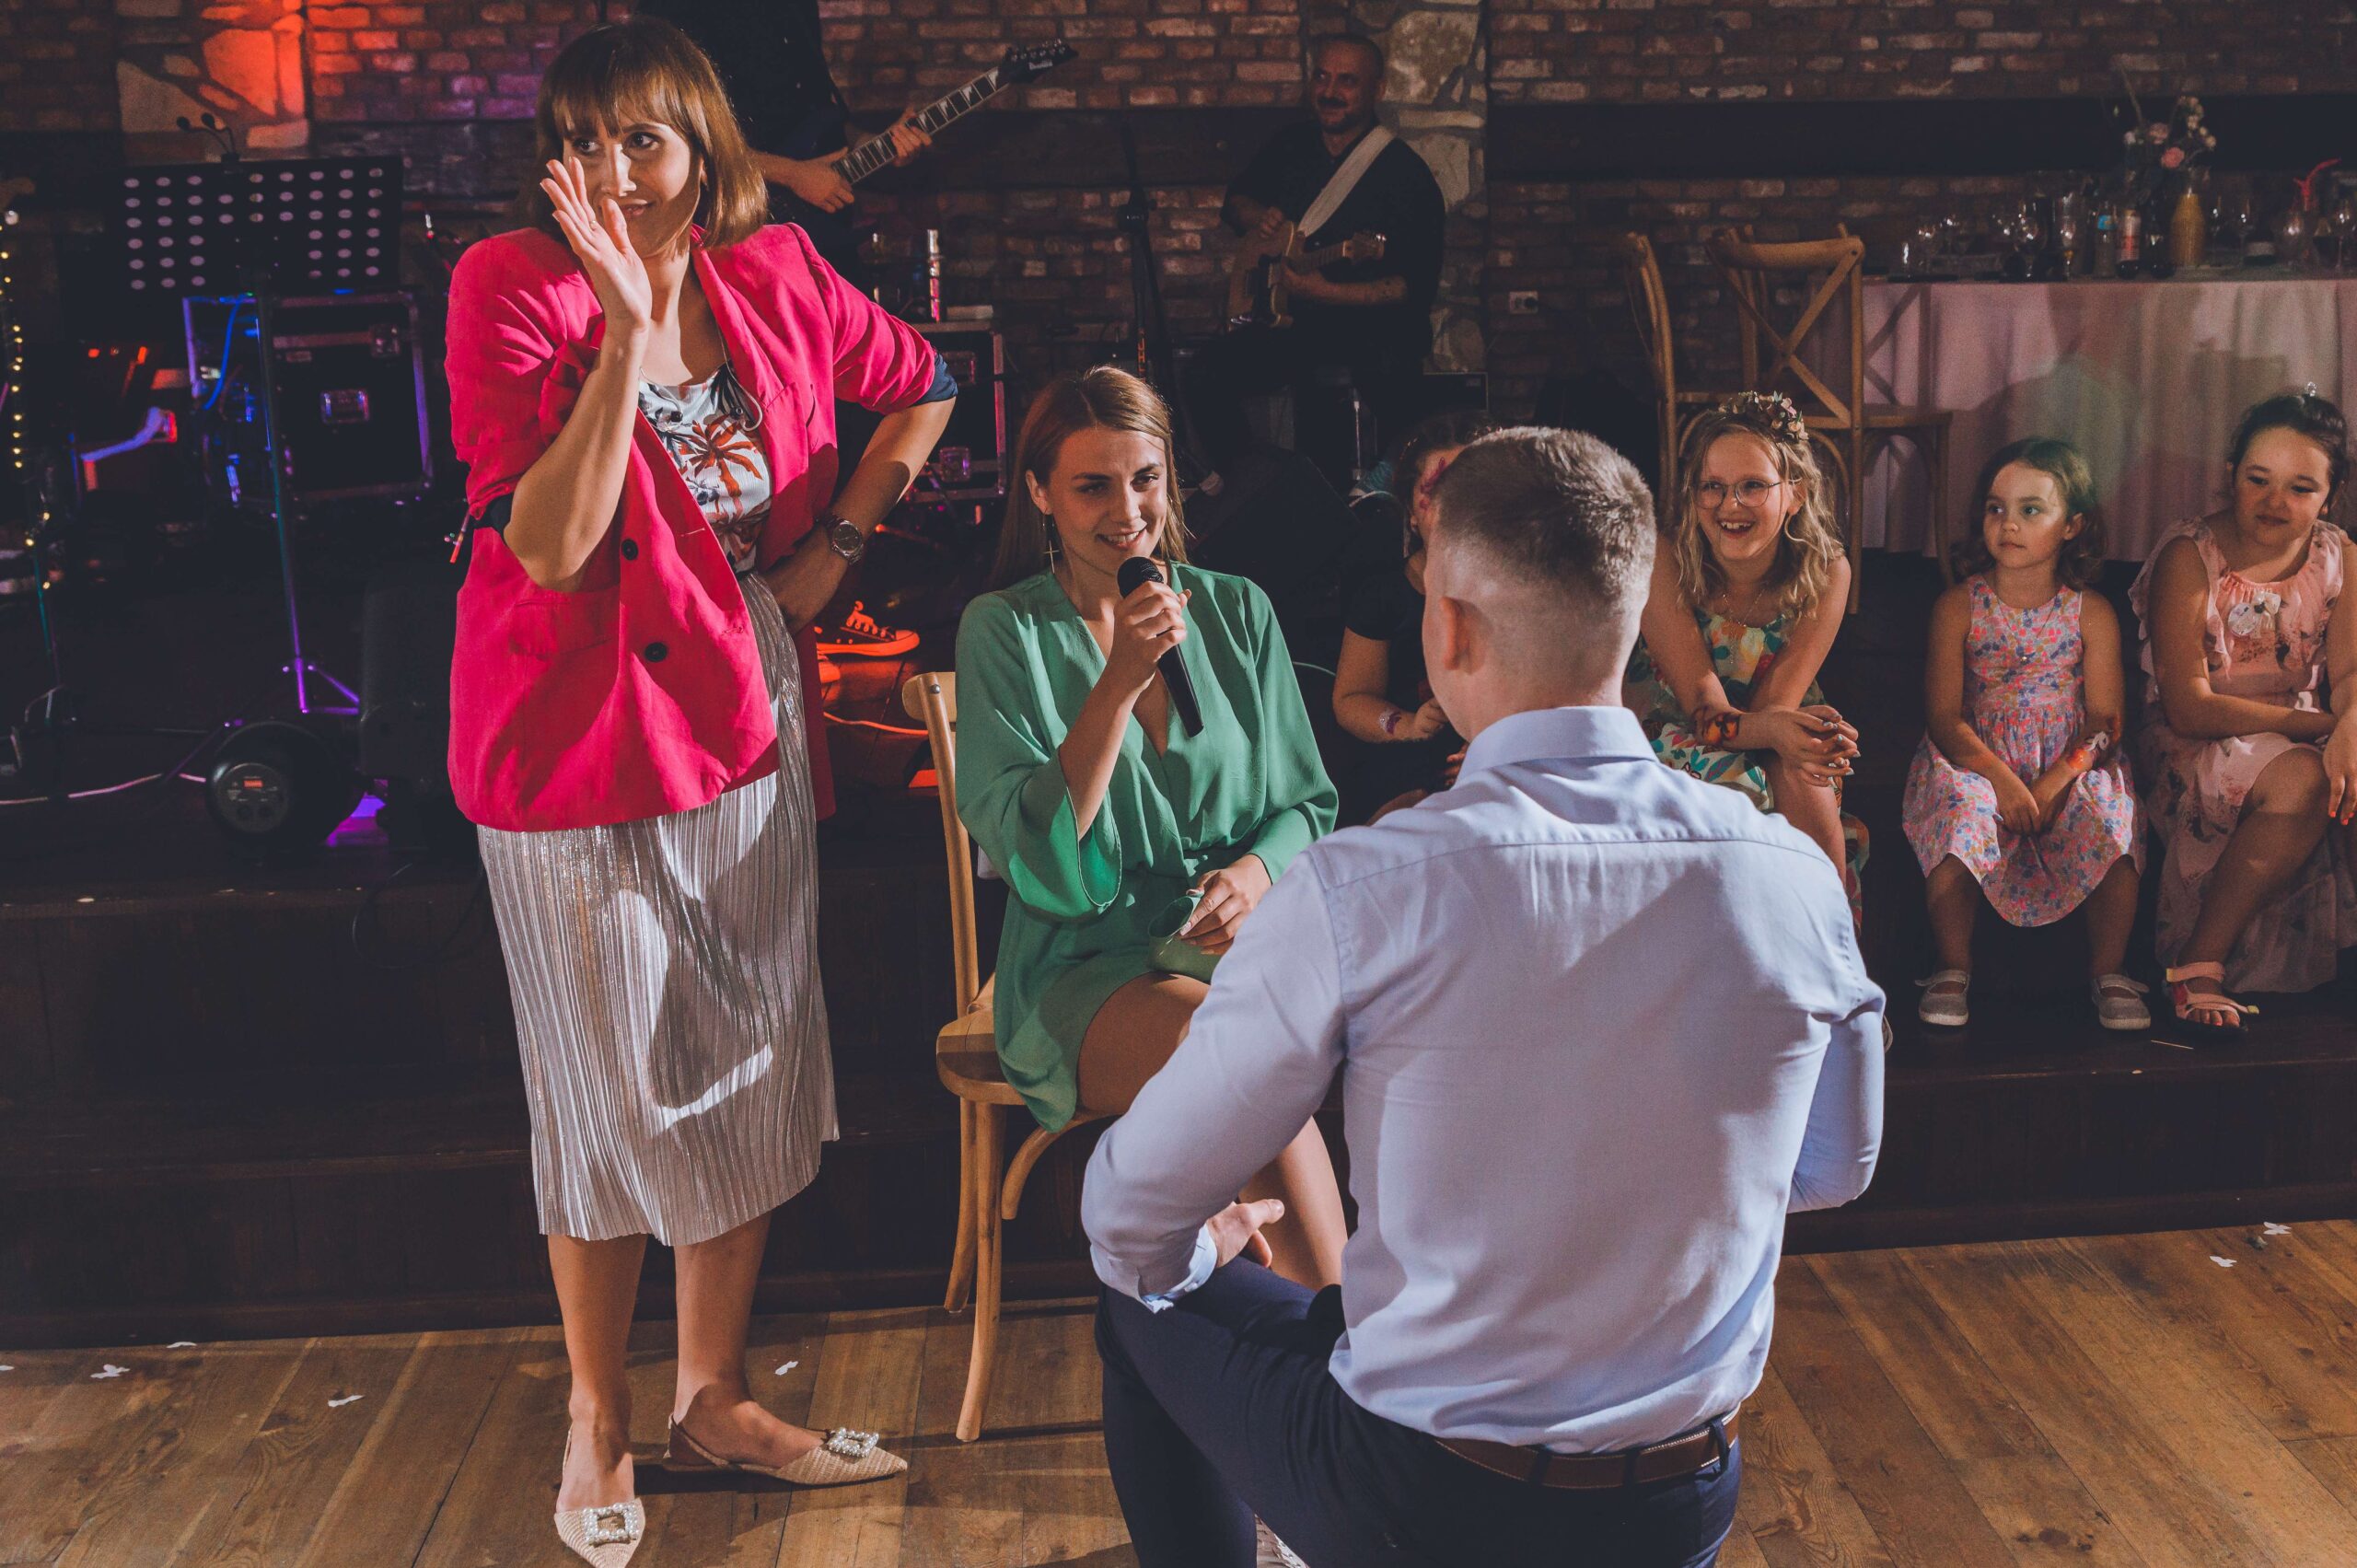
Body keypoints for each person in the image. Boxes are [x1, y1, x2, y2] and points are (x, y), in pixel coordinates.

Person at [1082, 427, 1886, 1568]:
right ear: (1628, 621)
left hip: (1426, 1502)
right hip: (1676, 1500)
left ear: (1449, 626)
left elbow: (1128, 1216)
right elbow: (1835, 1166)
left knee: (1139, 1302)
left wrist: (1195, 1259)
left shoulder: (1363, 886)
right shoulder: (1792, 875)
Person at [441, 20, 955, 1564]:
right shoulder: (510, 288)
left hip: (743, 709)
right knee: (603, 1083)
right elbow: (551, 543)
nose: (609, 171)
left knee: (746, 1055)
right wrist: (619, 329)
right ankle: (600, 1412)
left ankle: (713, 1395)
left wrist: (835, 549)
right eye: (580, 141)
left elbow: (920, 385)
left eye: (640, 139)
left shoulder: (778, 273)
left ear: (703, 150)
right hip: (576, 733)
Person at [953, 366, 1348, 1290]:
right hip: (1084, 961)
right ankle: (1339, 1324)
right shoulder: (1003, 630)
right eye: (1092, 486)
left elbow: (1307, 807)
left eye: (1145, 479)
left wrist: (1254, 872)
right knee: (1242, 1048)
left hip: (1238, 953)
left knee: (1279, 1040)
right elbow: (1039, 859)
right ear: (1040, 493)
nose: (1127, 511)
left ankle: (1298, 1323)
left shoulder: (1236, 608)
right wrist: (1120, 677)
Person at [2128, 390, 2357, 1033]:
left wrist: (2350, 725)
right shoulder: (2190, 555)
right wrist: (2326, 728)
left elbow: (2349, 674)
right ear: (2231, 474)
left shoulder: (2340, 556)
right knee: (2306, 776)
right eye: (2259, 479)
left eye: (2301, 488)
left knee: (2340, 767)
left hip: (2303, 735)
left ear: (2330, 496)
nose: (2275, 501)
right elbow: (2188, 707)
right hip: (2198, 741)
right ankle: (2197, 962)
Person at [1903, 438, 2145, 1031]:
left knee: (2110, 820)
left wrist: (2061, 777)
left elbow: (2105, 721)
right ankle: (1952, 965)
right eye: (1996, 508)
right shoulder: (1958, 606)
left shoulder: (2091, 612)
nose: (2008, 524)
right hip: (1977, 757)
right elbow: (1943, 717)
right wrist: (2002, 781)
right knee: (1960, 815)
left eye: (2031, 510)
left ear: (2072, 526)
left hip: (2070, 759)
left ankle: (2110, 971)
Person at [1623, 392, 1867, 916]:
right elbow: (1705, 714)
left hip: (1766, 716)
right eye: (1712, 486)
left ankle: (1828, 940)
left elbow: (1776, 705)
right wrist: (1781, 731)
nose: (1729, 505)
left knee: (1806, 775)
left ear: (1796, 494)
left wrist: (1813, 734)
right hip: (1675, 726)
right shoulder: (1664, 559)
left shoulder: (1827, 572)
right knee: (1739, 785)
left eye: (1752, 486)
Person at [1183, 33, 1446, 482]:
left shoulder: (1406, 176)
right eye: (1322, 77)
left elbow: (1413, 287)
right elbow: (1236, 202)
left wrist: (1328, 293)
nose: (1330, 91)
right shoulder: (1290, 146)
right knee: (1203, 374)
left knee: (1343, 392)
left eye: (1347, 81)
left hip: (1373, 332)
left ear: (1378, 90)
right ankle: (1252, 483)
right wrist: (1258, 217)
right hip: (1294, 323)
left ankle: (1370, 499)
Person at [631, 0, 928, 284]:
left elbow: (817, 112)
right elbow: (681, 134)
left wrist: (878, 143)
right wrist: (792, 174)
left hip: (820, 238)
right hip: (736, 239)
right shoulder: (675, 8)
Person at [1329, 411, 1495, 821]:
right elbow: (1351, 699)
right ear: (1412, 511)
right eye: (1439, 493)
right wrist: (1405, 724)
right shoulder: (1383, 596)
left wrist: (1494, 748)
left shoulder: (1514, 595)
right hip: (1404, 768)